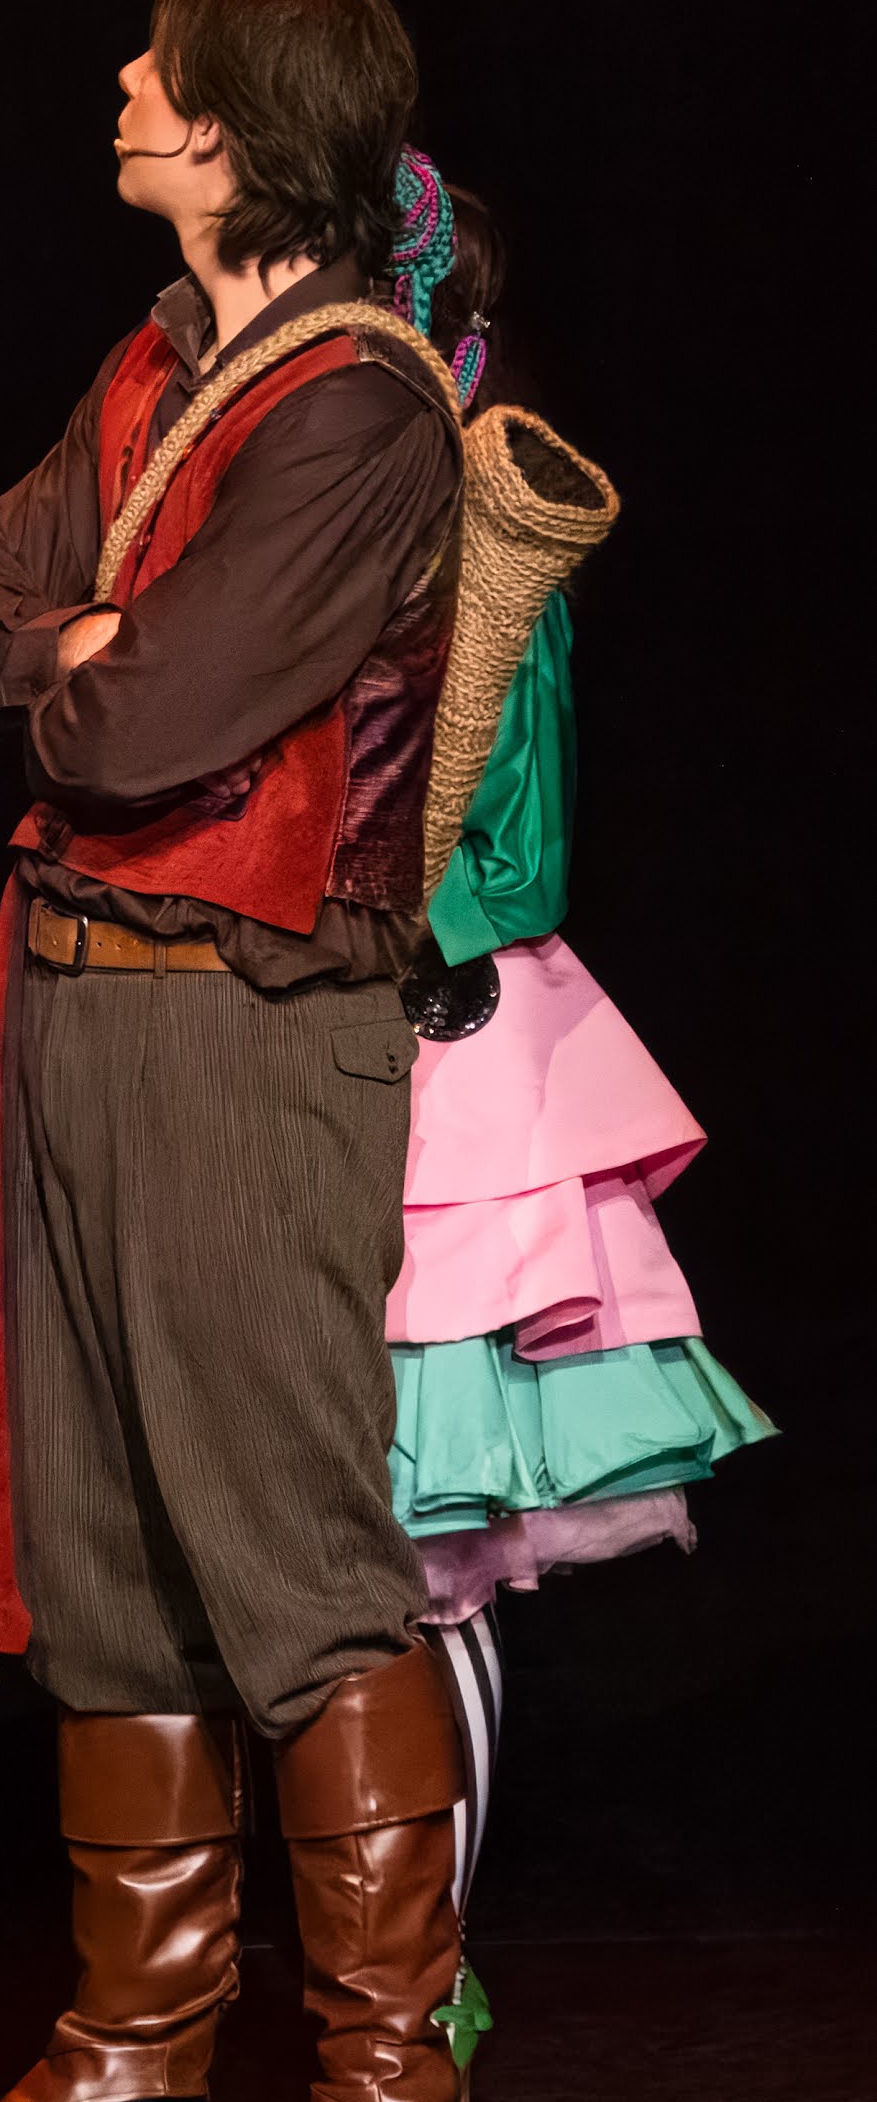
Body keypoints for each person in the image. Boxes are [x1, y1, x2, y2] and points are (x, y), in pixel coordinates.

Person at [0, 0, 476, 2102]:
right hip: (79, 998)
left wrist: (85, 674)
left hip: (250, 1022)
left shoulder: (357, 407)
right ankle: (133, 2072)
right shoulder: (157, 359)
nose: (123, 81)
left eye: (162, 64)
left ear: (240, 125)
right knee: (108, 1553)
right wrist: (74, 656)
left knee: (285, 1554)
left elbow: (151, 730)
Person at [373, 176, 764, 1940]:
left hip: (447, 1071)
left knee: (430, 1556)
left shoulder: (487, 543)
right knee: (329, 1562)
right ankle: (366, 1975)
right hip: (320, 1047)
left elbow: (518, 860)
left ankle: (417, 1983)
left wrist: (371, 902)